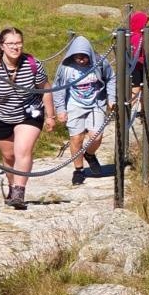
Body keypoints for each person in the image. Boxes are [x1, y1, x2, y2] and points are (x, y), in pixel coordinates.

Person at [0, 27, 55, 210]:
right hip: (1, 115)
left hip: (30, 113)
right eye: (11, 43)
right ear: (1, 45)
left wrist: (50, 115)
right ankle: (12, 185)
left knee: (23, 150)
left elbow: (45, 89)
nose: (16, 47)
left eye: (19, 43)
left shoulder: (33, 65)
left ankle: (19, 192)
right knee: (9, 156)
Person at [53, 35, 115, 185]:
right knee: (76, 138)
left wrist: (111, 97)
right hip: (74, 105)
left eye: (84, 57)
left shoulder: (100, 62)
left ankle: (89, 154)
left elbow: (111, 78)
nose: (81, 60)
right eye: (77, 57)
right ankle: (79, 170)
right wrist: (60, 109)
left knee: (96, 137)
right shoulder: (65, 67)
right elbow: (58, 88)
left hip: (96, 103)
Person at [129, 11, 149, 102]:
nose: (146, 26)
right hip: (136, 67)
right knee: (136, 89)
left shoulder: (135, 35)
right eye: (144, 24)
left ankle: (143, 108)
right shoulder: (137, 37)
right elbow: (135, 53)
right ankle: (128, 108)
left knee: (144, 88)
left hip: (140, 66)